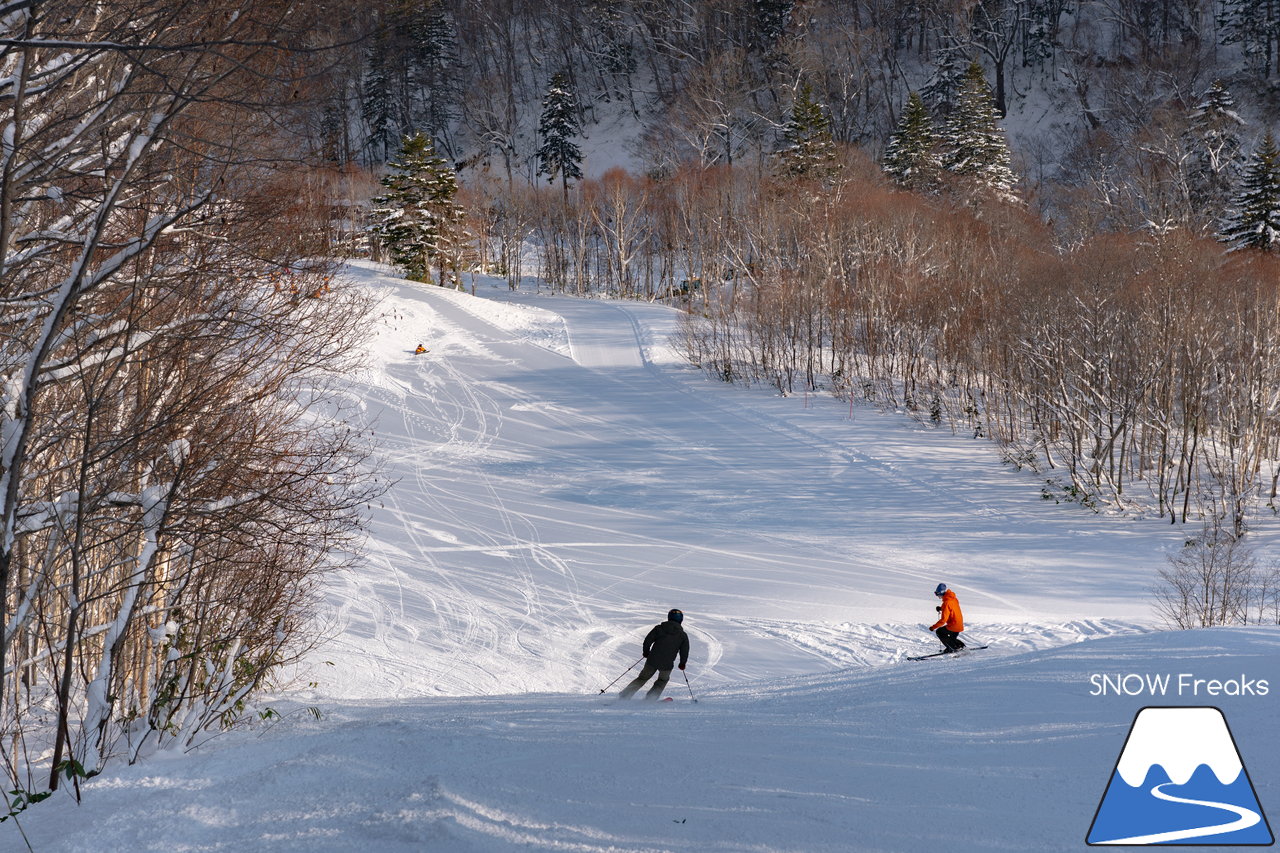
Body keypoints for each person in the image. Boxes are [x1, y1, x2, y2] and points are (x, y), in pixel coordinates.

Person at [620, 609, 689, 700]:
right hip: (667, 664)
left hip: (652, 660)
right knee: (662, 680)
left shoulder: (659, 628)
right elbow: (684, 650)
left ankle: (625, 695)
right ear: (681, 620)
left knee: (642, 678)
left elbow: (648, 640)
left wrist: (646, 651)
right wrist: (682, 663)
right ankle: (651, 698)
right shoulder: (682, 635)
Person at [929, 583, 966, 653]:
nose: (937, 596)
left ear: (941, 593)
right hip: (959, 623)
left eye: (937, 594)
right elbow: (951, 608)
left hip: (953, 625)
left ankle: (953, 648)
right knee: (952, 638)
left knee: (939, 632)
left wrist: (933, 627)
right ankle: (961, 647)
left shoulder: (946, 603)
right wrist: (941, 608)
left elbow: (943, 620)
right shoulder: (953, 598)